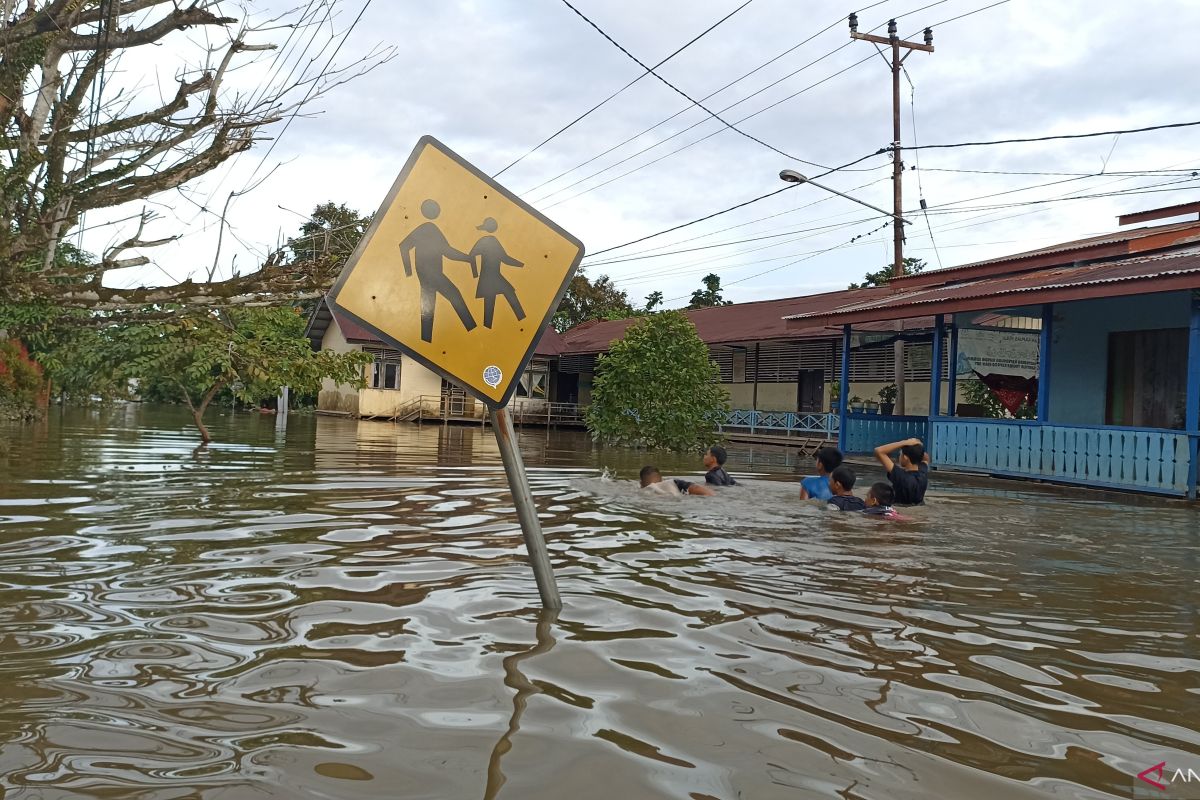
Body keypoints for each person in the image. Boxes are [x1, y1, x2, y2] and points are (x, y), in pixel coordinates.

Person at [398, 199, 478, 343]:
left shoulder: (431, 229)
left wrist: (466, 259)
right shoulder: (427, 228)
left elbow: (446, 251)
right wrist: (408, 271)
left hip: (427, 274)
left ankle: (425, 340)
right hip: (430, 273)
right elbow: (403, 246)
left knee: (428, 308)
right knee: (454, 295)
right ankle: (472, 329)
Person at [468, 217, 527, 329]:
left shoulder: (492, 241)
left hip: (493, 277)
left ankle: (521, 320)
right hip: (489, 277)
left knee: (497, 299)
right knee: (499, 298)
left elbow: (505, 258)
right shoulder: (485, 241)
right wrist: (474, 273)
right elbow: (471, 255)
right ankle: (521, 319)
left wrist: (522, 265)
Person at [873, 436, 930, 505]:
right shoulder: (923, 472)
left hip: (899, 510)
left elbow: (878, 451)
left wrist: (905, 442)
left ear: (905, 458)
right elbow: (926, 458)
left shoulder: (900, 476)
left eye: (900, 454)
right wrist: (918, 448)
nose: (899, 457)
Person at [640, 465, 715, 496]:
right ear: (661, 479)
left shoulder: (644, 492)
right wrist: (714, 495)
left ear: (641, 484)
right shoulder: (671, 482)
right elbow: (696, 488)